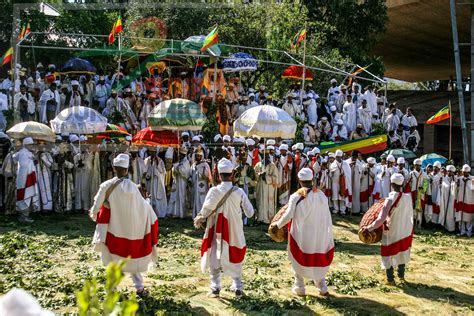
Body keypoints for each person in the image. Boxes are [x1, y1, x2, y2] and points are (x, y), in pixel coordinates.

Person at [89, 153, 158, 296]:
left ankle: (112, 289)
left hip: (113, 231)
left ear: (114, 168)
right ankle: (139, 288)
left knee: (114, 260)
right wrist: (148, 201)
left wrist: (95, 216)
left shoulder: (106, 185)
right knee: (132, 259)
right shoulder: (133, 188)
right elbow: (144, 208)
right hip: (131, 232)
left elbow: (96, 206)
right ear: (127, 170)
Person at [194, 158, 254, 298]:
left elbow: (204, 212)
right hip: (235, 230)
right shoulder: (239, 192)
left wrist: (200, 219)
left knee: (215, 255)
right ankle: (237, 285)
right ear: (232, 175)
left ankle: (215, 287)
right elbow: (250, 213)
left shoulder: (213, 191)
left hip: (216, 231)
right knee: (235, 254)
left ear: (219, 175)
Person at [270, 168, 334, 296]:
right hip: (318, 233)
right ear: (312, 180)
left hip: (302, 234)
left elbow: (288, 216)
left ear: (299, 181)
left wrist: (277, 225)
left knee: (297, 257)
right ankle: (322, 287)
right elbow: (326, 215)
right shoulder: (321, 195)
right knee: (318, 257)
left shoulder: (296, 196)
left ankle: (300, 287)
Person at [361, 173, 414, 285]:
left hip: (392, 230)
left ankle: (390, 279)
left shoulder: (390, 199)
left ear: (391, 183)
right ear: (402, 184)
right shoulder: (408, 197)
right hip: (405, 229)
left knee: (388, 253)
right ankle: (401, 275)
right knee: (402, 251)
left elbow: (381, 219)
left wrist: (368, 228)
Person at [13, 137, 38, 222]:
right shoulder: (24, 153)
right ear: (25, 144)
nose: (31, 146)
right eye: (30, 144)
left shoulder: (27, 153)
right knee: (24, 195)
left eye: (32, 144)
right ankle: (24, 216)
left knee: (25, 195)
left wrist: (33, 158)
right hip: (25, 178)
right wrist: (31, 160)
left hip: (25, 178)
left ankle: (24, 215)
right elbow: (24, 166)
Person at [254, 151, 278, 224]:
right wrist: (259, 175)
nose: (265, 157)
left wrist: (266, 177)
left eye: (267, 155)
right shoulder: (258, 165)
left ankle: (269, 219)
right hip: (260, 186)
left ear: (269, 156)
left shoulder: (272, 165)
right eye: (264, 155)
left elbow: (276, 178)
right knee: (260, 202)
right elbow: (254, 175)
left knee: (269, 202)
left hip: (269, 187)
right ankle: (260, 218)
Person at [167, 147, 191, 218]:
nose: (180, 155)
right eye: (180, 154)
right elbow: (173, 170)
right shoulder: (179, 161)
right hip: (176, 181)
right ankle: (174, 212)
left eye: (182, 154)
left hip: (182, 182)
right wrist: (175, 167)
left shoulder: (186, 162)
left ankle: (181, 214)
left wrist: (177, 167)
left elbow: (185, 172)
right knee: (175, 196)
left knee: (181, 197)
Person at [144, 150, 167, 218]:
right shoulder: (146, 160)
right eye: (151, 152)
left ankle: (159, 213)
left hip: (157, 183)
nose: (152, 153)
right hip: (149, 182)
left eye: (154, 152)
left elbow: (163, 172)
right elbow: (144, 170)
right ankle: (149, 213)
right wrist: (148, 175)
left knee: (157, 197)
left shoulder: (160, 160)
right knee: (149, 196)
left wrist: (157, 165)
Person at [190, 149, 212, 219]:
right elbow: (191, 174)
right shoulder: (194, 164)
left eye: (199, 156)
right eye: (196, 156)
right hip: (195, 186)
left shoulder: (205, 165)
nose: (197, 157)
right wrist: (190, 179)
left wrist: (201, 171)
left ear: (201, 156)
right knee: (195, 200)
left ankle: (203, 216)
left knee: (202, 200)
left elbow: (207, 175)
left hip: (202, 186)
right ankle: (195, 215)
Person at [329, 150, 352, 215]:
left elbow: (348, 174)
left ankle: (342, 210)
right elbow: (330, 176)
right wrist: (331, 173)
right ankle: (336, 209)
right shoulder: (332, 164)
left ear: (341, 157)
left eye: (339, 157)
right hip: (334, 183)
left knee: (342, 196)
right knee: (335, 197)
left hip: (343, 183)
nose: (338, 158)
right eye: (337, 157)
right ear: (335, 157)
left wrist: (343, 174)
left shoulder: (345, 164)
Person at [455, 164, 474, 236]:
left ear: (468, 172)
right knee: (461, 216)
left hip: (469, 201)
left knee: (469, 217)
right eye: (463, 172)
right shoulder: (459, 179)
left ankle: (469, 232)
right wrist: (457, 184)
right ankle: (462, 231)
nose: (463, 173)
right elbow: (455, 188)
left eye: (464, 172)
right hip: (461, 200)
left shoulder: (472, 179)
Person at [438, 165, 457, 232]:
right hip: (444, 199)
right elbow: (441, 188)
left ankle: (450, 228)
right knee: (443, 212)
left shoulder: (455, 180)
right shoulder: (443, 179)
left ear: (453, 173)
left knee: (450, 214)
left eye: (451, 172)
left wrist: (454, 183)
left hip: (451, 201)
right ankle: (442, 226)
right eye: (448, 171)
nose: (449, 173)